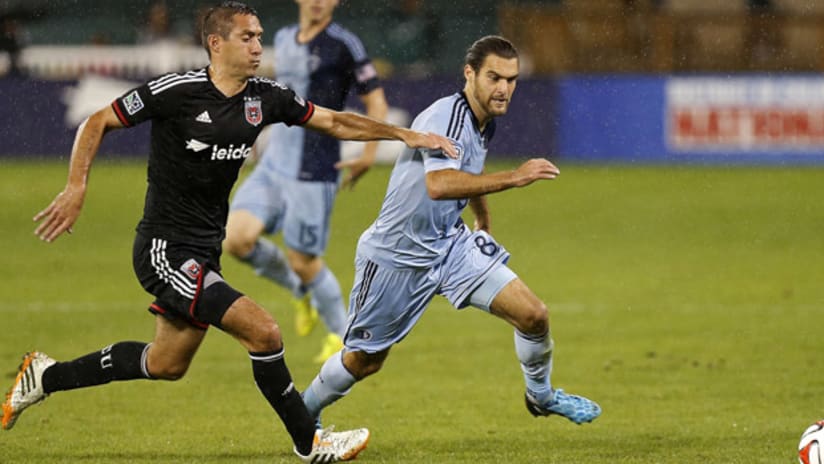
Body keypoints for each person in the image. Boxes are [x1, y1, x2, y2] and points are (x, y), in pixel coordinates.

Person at [1, 2, 455, 462]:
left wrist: (404, 135)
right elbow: (97, 120)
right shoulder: (177, 91)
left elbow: (333, 120)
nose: (259, 46)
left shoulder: (266, 97)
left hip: (203, 250)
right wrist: (76, 186)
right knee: (264, 332)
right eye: (247, 38)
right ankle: (311, 442)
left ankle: (44, 377)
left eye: (260, 36)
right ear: (216, 44)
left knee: (166, 363)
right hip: (165, 250)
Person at [301, 36, 602, 433]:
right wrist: (515, 177)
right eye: (494, 77)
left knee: (533, 315)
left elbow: (468, 174)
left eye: (511, 80)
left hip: (450, 245)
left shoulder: (483, 121)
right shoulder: (446, 116)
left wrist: (483, 217)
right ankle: (301, 416)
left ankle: (541, 396)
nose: (504, 88)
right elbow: (439, 185)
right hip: (397, 255)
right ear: (469, 73)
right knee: (365, 360)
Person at [223, 0, 389, 364]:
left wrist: (369, 154)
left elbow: (376, 102)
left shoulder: (344, 44)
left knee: (304, 259)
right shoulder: (282, 38)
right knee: (235, 239)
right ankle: (299, 290)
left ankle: (343, 340)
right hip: (273, 163)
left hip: (314, 167)